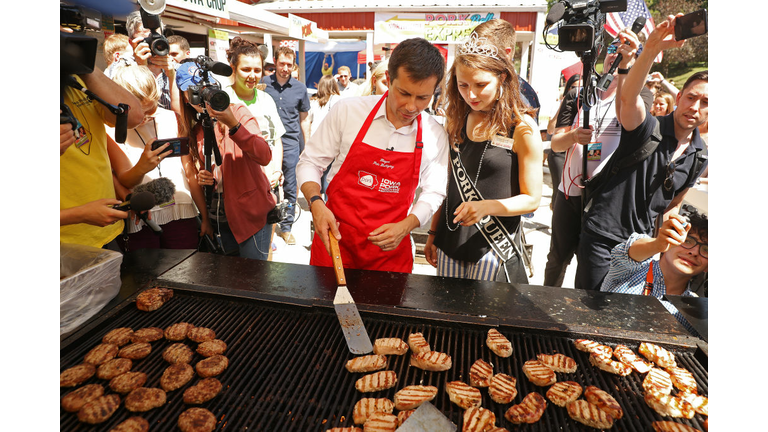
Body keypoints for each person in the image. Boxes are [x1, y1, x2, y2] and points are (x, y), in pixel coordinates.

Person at [575, 15, 708, 290]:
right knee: (587, 316)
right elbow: (629, 98)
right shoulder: (649, 127)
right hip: (603, 237)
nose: (695, 107)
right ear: (679, 97)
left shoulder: (700, 154)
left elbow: (672, 206)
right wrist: (650, 49)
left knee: (623, 318)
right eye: (692, 97)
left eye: (706, 102)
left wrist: (667, 243)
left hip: (644, 248)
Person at [297, 37, 450, 273]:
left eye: (422, 98)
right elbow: (310, 162)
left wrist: (407, 226)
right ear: (388, 80)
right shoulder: (349, 112)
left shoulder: (434, 133)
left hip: (389, 256)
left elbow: (434, 191)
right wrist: (316, 203)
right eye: (404, 93)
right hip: (335, 245)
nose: (411, 107)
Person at [423, 32, 542, 283]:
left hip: (493, 247)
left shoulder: (522, 127)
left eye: (480, 85)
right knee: (448, 316)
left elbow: (532, 200)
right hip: (449, 241)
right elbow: (447, 184)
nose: (471, 95)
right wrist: (433, 234)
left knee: (485, 320)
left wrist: (486, 207)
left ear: (502, 78)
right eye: (463, 85)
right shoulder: (456, 121)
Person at [542, 38, 653, 288]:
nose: (615, 55)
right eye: (612, 50)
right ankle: (545, 307)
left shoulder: (641, 94)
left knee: (589, 260)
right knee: (557, 258)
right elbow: (556, 144)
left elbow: (630, 121)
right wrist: (572, 136)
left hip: (603, 198)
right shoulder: (579, 93)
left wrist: (625, 76)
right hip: (569, 192)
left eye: (624, 52)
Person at [176, 60, 276, 260]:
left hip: (250, 216)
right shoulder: (198, 129)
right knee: (230, 283)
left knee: (254, 282)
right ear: (185, 98)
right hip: (220, 218)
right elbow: (219, 171)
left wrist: (233, 124)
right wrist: (208, 178)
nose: (203, 97)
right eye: (195, 92)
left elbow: (264, 155)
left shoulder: (237, 112)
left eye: (208, 89)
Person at [107, 64, 212, 251]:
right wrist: (142, 166)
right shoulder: (111, 129)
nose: (147, 117)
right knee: (148, 276)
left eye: (152, 109)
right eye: (141, 111)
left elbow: (189, 172)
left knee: (187, 269)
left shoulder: (172, 118)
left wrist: (204, 217)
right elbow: (121, 179)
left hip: (181, 211)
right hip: (142, 218)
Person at [60, 66, 144, 249]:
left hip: (104, 230)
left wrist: (85, 64)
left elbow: (134, 116)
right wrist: (80, 215)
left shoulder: (79, 81)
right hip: (64, 244)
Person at [601, 207, 707, 337]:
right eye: (687, 241)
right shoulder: (632, 269)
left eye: (706, 249)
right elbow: (627, 251)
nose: (694, 252)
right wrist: (657, 243)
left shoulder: (696, 310)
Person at [260, 46, 311, 245]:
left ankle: (287, 226)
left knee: (290, 186)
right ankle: (267, 224)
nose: (285, 68)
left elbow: (304, 119)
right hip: (268, 142)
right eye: (282, 64)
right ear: (275, 62)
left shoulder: (300, 88)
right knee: (266, 183)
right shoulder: (263, 83)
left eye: (289, 65)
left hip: (290, 143)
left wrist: (307, 144)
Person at [472, 19, 540, 124]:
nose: (476, 57)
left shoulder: (522, 94)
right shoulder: (469, 84)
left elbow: (526, 135)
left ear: (506, 53)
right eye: (472, 51)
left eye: (483, 51)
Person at [126, 10, 175, 111]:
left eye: (156, 39)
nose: (152, 45)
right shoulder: (122, 71)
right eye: (145, 41)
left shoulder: (177, 69)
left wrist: (172, 77)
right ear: (131, 42)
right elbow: (140, 113)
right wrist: (142, 69)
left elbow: (182, 119)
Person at [546, 73, 581, 201]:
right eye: (573, 87)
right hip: (559, 154)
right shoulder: (560, 103)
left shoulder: (588, 104)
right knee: (560, 193)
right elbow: (550, 129)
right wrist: (562, 106)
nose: (577, 91)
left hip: (577, 155)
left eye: (581, 87)